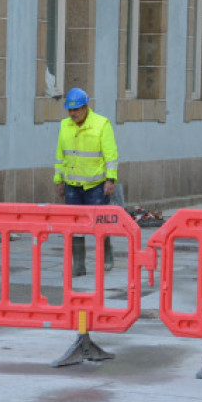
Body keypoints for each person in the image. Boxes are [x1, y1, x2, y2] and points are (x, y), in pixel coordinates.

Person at [53, 87, 119, 276]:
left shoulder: (101, 124)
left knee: (100, 224)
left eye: (76, 109)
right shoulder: (65, 125)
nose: (73, 113)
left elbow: (111, 155)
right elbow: (60, 155)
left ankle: (107, 252)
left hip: (96, 184)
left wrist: (110, 179)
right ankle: (79, 264)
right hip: (73, 185)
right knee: (75, 225)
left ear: (85, 107)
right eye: (70, 110)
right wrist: (58, 180)